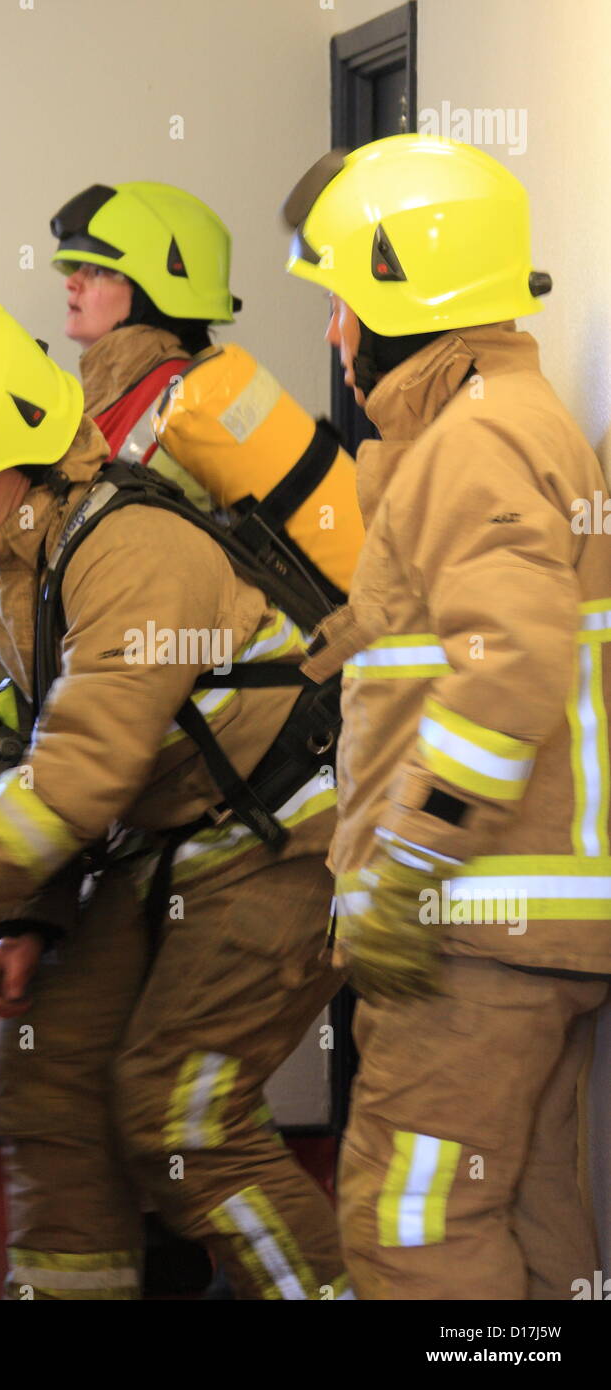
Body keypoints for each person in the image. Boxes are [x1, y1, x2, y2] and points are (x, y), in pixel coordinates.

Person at [0, 299, 352, 1300]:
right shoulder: (8, 571)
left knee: (179, 1114)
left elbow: (79, 773)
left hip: (279, 838)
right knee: (52, 1080)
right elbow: (13, 751)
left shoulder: (128, 547)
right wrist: (24, 918)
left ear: (31, 452)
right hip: (165, 847)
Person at [282, 132, 611, 1300]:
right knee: (530, 1223)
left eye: (339, 303)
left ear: (401, 299)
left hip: (471, 927)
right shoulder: (509, 423)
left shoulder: (472, 443)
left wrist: (413, 863)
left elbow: (508, 663)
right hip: (525, 926)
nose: (333, 332)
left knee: (410, 1227)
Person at [50, 179, 237, 511]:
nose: (71, 282)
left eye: (96, 270)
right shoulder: (123, 389)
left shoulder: (183, 400)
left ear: (154, 291)